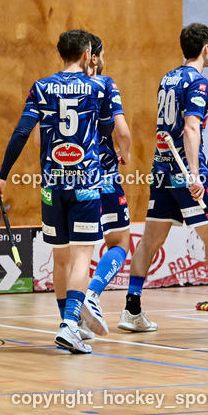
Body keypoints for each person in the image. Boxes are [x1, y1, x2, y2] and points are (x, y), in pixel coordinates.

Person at [119, 23, 208, 332]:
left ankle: (131, 310)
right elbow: (190, 127)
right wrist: (196, 174)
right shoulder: (197, 81)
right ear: (206, 48)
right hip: (185, 173)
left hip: (161, 172)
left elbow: (188, 112)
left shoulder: (169, 78)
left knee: (150, 241)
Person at [0, 29, 113, 353]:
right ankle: (71, 324)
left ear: (61, 55)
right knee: (81, 258)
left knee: (61, 258)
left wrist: (3, 177)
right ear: (88, 55)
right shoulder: (100, 85)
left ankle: (69, 323)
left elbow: (21, 132)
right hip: (85, 185)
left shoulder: (41, 87)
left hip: (51, 187)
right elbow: (109, 128)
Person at [79, 35, 133, 341]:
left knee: (74, 254)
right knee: (118, 243)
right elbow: (121, 130)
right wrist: (124, 151)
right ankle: (93, 294)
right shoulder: (105, 84)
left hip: (66, 180)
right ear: (95, 57)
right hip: (104, 176)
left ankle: (72, 321)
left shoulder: (56, 85)